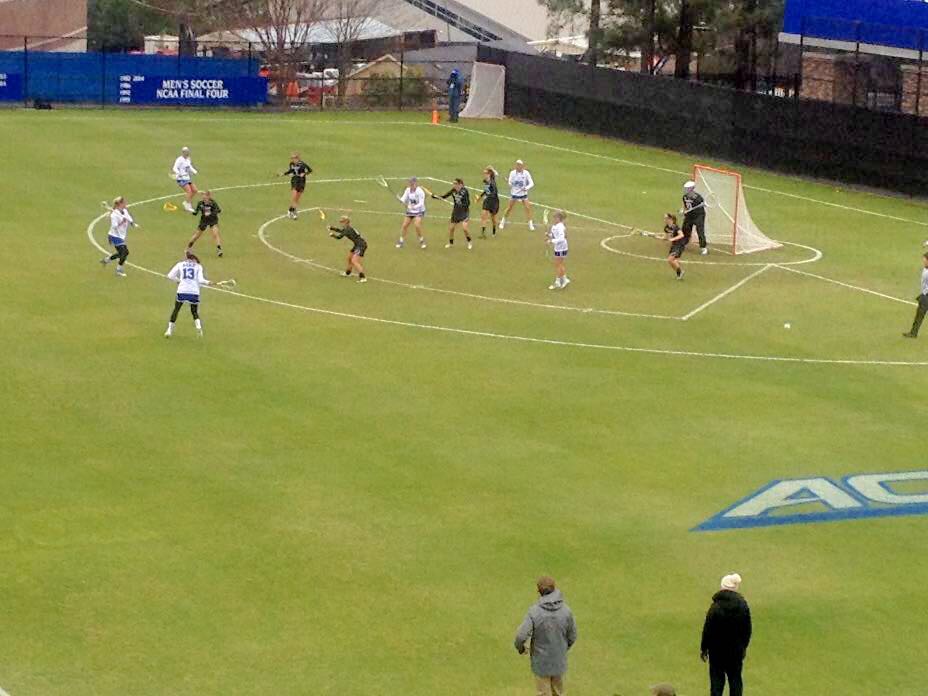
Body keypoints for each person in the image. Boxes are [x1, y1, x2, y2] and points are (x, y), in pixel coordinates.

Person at [514, 576, 577, 696]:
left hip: (540, 662)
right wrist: (562, 649)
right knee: (559, 693)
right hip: (559, 660)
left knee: (543, 693)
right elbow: (573, 636)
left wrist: (521, 649)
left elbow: (520, 637)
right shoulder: (566, 611)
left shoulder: (534, 612)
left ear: (539, 591)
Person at [700, 573, 752, 696]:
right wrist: (743, 647)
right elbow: (747, 630)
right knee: (735, 679)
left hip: (717, 651)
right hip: (735, 651)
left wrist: (704, 648)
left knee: (717, 681)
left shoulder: (715, 607)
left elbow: (708, 630)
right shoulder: (742, 606)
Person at [165, 250, 212, 338]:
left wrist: (179, 281)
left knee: (176, 309)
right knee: (194, 311)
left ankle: (169, 330)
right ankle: (199, 327)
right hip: (194, 292)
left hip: (182, 290)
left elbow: (170, 276)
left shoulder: (180, 264)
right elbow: (201, 280)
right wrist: (208, 282)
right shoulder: (198, 266)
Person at [99, 196, 138, 277]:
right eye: (124, 202)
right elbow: (114, 226)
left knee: (124, 253)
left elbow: (128, 217)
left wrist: (132, 224)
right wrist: (122, 222)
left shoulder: (124, 211)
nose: (126, 203)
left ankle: (106, 260)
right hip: (114, 235)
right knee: (124, 252)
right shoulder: (114, 215)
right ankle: (119, 270)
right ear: (120, 204)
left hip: (121, 235)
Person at [434, 178, 472, 249]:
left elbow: (468, 203)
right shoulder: (453, 190)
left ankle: (469, 242)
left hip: (464, 211)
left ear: (460, 184)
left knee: (465, 228)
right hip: (456, 211)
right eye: (453, 183)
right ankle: (450, 243)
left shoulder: (465, 191)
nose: (454, 185)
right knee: (451, 228)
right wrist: (435, 196)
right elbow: (444, 196)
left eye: (455, 183)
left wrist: (462, 205)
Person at [329, 215, 367, 283]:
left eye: (342, 222)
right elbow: (341, 231)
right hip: (357, 245)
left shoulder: (347, 229)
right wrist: (332, 228)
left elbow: (339, 237)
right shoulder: (348, 228)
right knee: (349, 258)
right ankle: (348, 273)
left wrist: (332, 235)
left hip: (361, 245)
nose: (341, 223)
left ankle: (363, 277)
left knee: (354, 261)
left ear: (346, 222)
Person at [500, 159, 535, 231]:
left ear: (522, 166)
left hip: (523, 194)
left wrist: (526, 188)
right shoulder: (512, 173)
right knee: (509, 208)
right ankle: (502, 222)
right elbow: (510, 183)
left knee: (528, 208)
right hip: (514, 194)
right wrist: (510, 183)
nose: (517, 166)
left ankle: (530, 224)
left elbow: (532, 183)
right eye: (517, 165)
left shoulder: (526, 173)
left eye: (519, 165)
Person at [187, 190, 223, 257]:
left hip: (213, 220)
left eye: (205, 197)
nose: (204, 198)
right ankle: (188, 248)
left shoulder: (213, 203)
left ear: (208, 197)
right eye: (203, 197)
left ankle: (219, 249)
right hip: (204, 221)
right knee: (197, 235)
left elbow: (218, 210)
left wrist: (210, 214)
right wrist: (190, 211)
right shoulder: (200, 203)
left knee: (215, 234)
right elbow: (196, 213)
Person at [396, 176, 427, 249]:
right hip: (410, 211)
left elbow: (421, 203)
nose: (410, 183)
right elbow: (404, 198)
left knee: (417, 225)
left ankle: (421, 241)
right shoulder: (407, 190)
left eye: (412, 182)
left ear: (415, 183)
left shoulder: (420, 192)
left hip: (419, 211)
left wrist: (413, 207)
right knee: (404, 225)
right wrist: (400, 200)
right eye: (410, 182)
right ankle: (401, 241)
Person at [280, 152, 312, 219]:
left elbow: (310, 170)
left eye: (294, 158)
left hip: (302, 181)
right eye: (292, 158)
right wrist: (284, 174)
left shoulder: (302, 164)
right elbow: (291, 170)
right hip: (294, 180)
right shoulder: (291, 164)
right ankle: (293, 212)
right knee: (294, 196)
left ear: (298, 158)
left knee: (297, 198)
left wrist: (304, 174)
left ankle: (291, 210)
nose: (293, 160)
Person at [903, 252, 928, 338]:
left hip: (926, 296)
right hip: (924, 296)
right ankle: (913, 333)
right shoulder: (925, 269)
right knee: (919, 315)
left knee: (919, 315)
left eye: (925, 260)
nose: (923, 261)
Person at [681, 180, 708, 255]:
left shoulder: (698, 198)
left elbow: (702, 205)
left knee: (700, 231)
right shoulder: (685, 197)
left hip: (698, 216)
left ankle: (703, 248)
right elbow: (686, 206)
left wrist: (703, 204)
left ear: (691, 189)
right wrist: (683, 210)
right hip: (689, 215)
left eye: (687, 188)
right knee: (685, 229)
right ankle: (683, 243)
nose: (685, 190)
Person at [546, 211, 570, 290]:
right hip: (559, 247)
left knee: (558, 264)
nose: (553, 219)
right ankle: (565, 279)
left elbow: (561, 238)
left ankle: (557, 282)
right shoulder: (555, 226)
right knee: (559, 264)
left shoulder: (560, 227)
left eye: (555, 217)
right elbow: (554, 235)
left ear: (559, 219)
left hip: (561, 247)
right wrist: (549, 235)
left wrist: (551, 241)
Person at [172, 146, 199, 213]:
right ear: (183, 152)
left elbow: (189, 167)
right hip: (181, 179)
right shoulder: (179, 159)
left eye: (188, 152)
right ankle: (188, 206)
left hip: (187, 178)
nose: (187, 153)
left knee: (195, 190)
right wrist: (178, 173)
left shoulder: (188, 159)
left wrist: (194, 171)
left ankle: (186, 202)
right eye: (185, 152)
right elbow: (174, 168)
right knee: (189, 191)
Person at [476, 166, 500, 238]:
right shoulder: (486, 181)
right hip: (487, 201)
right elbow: (486, 190)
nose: (485, 174)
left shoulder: (492, 182)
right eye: (484, 173)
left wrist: (487, 196)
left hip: (494, 202)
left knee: (493, 218)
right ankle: (483, 233)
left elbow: (494, 192)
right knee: (483, 216)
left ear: (489, 174)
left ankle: (494, 231)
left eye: (486, 173)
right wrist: (480, 197)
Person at [664, 212, 686, 280]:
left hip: (679, 245)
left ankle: (680, 272)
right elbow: (666, 238)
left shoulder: (675, 227)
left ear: (670, 219)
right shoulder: (666, 228)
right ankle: (679, 273)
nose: (664, 220)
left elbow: (681, 235)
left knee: (670, 260)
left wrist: (673, 239)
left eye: (666, 218)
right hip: (674, 245)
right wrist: (657, 237)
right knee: (673, 261)